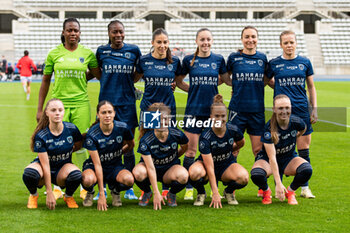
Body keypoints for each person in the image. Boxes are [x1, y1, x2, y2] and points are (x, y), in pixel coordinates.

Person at [36, 18, 101, 200]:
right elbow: (46, 81)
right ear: (63, 32)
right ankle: (57, 184)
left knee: (80, 144)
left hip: (81, 103)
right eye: (70, 30)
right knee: (56, 143)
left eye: (76, 31)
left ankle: (81, 183)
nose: (73, 33)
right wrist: (40, 109)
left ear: (80, 34)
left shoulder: (87, 53)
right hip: (59, 104)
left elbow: (98, 75)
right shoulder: (54, 54)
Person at [175, 28, 228, 200]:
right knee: (190, 151)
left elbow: (224, 79)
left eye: (208, 39)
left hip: (212, 114)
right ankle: (190, 187)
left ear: (212, 41)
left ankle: (215, 188)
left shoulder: (218, 60)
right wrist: (193, 89)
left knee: (213, 150)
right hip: (193, 111)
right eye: (202, 39)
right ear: (196, 41)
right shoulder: (189, 60)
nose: (205, 42)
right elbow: (178, 81)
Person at [267, 30, 317, 198]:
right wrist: (279, 88)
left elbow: (310, 86)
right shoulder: (274, 63)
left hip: (302, 110)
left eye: (291, 42)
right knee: (279, 149)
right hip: (282, 113)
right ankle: (278, 186)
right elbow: (267, 80)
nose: (289, 45)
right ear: (281, 45)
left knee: (303, 149)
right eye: (286, 43)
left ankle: (304, 188)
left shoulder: (305, 62)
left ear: (296, 43)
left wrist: (314, 108)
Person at [95, 20, 142, 200]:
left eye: (121, 32)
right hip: (107, 105)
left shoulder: (133, 50)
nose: (118, 35)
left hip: (127, 104)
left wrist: (130, 82)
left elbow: (138, 74)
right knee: (105, 145)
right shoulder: (101, 51)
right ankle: (104, 185)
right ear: (109, 33)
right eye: (114, 32)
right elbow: (99, 73)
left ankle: (128, 187)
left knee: (128, 145)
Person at [134, 28, 182, 199]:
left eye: (165, 42)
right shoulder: (144, 61)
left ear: (169, 44)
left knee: (168, 143)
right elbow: (133, 78)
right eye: (159, 42)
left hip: (168, 111)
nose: (162, 45)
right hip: (149, 110)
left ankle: (167, 185)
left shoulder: (175, 61)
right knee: (147, 145)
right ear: (152, 43)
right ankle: (147, 189)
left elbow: (178, 81)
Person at [251, 94, 313, 205]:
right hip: (268, 160)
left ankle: (290, 192)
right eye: (280, 108)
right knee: (256, 174)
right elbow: (272, 157)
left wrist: (295, 136)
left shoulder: (296, 122)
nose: (284, 111)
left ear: (291, 108)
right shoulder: (268, 129)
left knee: (307, 169)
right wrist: (278, 184)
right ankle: (266, 191)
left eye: (287, 108)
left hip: (288, 158)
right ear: (274, 109)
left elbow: (303, 129)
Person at [188, 94, 248, 207]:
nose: (220, 119)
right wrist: (215, 192)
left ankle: (228, 192)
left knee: (243, 177)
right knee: (194, 173)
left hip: (226, 165)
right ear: (210, 117)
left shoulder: (233, 129)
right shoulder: (206, 136)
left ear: (227, 116)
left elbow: (241, 142)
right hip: (206, 166)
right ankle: (201, 193)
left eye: (223, 116)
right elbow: (210, 167)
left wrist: (232, 149)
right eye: (216, 116)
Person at [22, 98, 83, 209]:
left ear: (64, 111)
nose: (57, 113)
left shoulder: (72, 129)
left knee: (76, 175)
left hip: (62, 168)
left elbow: (78, 145)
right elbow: (45, 165)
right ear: (47, 112)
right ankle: (33, 195)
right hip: (44, 166)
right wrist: (49, 192)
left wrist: (64, 152)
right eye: (53, 110)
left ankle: (68, 196)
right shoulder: (41, 135)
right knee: (30, 174)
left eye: (60, 110)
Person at [133, 103, 189, 210]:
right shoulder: (146, 140)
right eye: (159, 119)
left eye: (165, 119)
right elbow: (150, 168)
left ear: (169, 119)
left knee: (183, 176)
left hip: (169, 170)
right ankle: (147, 192)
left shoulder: (176, 134)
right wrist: (156, 193)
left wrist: (175, 156)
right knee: (138, 173)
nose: (162, 122)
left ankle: (171, 194)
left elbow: (185, 146)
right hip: (150, 170)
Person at [81, 101, 135, 210]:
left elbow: (131, 144)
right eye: (103, 112)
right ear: (98, 115)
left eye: (110, 112)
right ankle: (90, 191)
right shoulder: (92, 134)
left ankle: (115, 191)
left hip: (115, 166)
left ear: (114, 113)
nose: (107, 115)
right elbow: (97, 164)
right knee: (87, 180)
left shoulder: (122, 128)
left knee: (129, 180)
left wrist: (120, 152)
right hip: (95, 166)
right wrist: (101, 193)